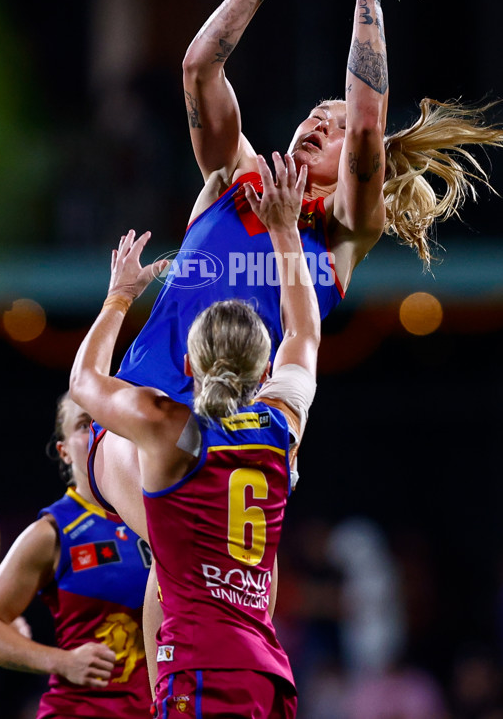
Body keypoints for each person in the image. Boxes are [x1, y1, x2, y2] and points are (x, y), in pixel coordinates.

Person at [116, 0, 503, 405]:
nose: (320, 125)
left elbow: (364, 124)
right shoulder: (232, 180)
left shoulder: (345, 232)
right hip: (135, 410)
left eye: (333, 128)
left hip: (224, 438)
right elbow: (199, 67)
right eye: (314, 115)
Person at [69, 152, 320, 717]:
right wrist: (285, 233)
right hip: (269, 674)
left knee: (163, 559)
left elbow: (84, 383)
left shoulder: (167, 429)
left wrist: (119, 297)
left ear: (186, 361)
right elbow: (304, 330)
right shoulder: (284, 425)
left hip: (200, 670)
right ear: (264, 374)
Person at [0, 392, 152, 719]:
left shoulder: (158, 519)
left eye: (104, 420)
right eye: (83, 425)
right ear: (64, 452)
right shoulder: (54, 531)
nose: (96, 432)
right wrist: (61, 661)